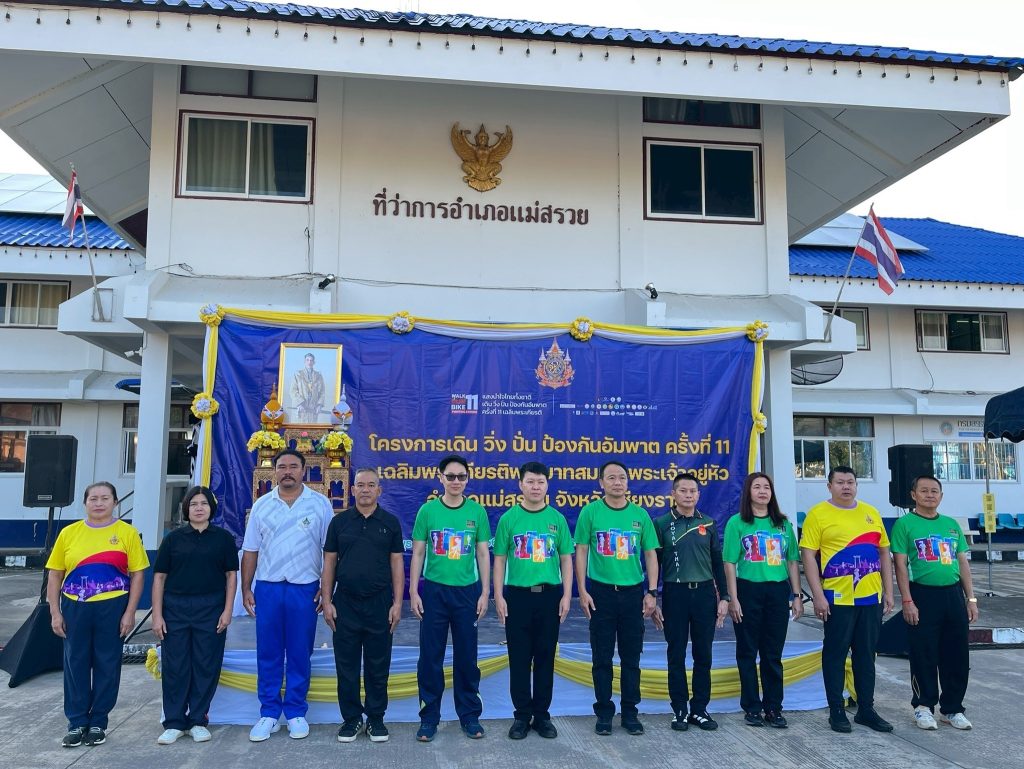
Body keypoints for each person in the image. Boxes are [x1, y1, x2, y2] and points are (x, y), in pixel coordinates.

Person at [45, 481, 149, 748]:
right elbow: (55, 575)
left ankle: (98, 722)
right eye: (93, 498)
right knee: (75, 662)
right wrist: (55, 611)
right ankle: (77, 722)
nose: (99, 503)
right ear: (85, 503)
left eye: (105, 498)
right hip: (75, 606)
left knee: (107, 663)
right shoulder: (69, 533)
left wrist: (130, 612)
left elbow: (138, 575)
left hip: (112, 607)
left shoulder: (127, 533)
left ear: (115, 502)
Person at [241, 449, 333, 742]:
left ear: (304, 471)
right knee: (268, 651)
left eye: (294, 466)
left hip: (304, 588)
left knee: (299, 651)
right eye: (282, 467)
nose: (288, 471)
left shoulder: (319, 504)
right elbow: (251, 550)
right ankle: (269, 713)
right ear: (275, 471)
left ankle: (295, 712)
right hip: (268, 587)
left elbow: (330, 552)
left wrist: (326, 590)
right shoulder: (262, 505)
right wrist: (246, 588)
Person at [800, 465, 894, 734]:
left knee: (866, 655)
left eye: (850, 482)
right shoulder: (818, 514)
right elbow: (808, 556)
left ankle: (866, 709)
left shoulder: (870, 513)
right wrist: (818, 596)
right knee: (835, 655)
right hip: (837, 600)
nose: (846, 487)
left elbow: (884, 553)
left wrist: (889, 592)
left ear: (856, 486)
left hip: (870, 599)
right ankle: (836, 710)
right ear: (829, 486)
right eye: (840, 482)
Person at [409, 454, 491, 741]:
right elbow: (418, 552)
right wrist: (413, 591)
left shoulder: (477, 512)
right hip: (434, 591)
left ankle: (469, 716)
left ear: (467, 479)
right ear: (440, 478)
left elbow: (483, 553)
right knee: (430, 656)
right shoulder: (427, 511)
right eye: (451, 476)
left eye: (461, 476)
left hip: (467, 592)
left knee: (467, 656)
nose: (456, 481)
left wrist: (485, 592)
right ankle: (429, 717)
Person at [574, 460, 659, 736]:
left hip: (633, 594)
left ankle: (630, 713)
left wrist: (652, 592)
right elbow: (581, 552)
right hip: (601, 593)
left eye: (622, 477)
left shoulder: (640, 515)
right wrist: (582, 590)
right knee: (602, 657)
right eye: (611, 478)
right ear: (601, 483)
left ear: (628, 482)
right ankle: (604, 713)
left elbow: (650, 555)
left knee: (631, 658)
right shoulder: (591, 512)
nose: (617, 482)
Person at [322, 468, 404, 743]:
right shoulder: (340, 523)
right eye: (360, 485)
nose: (365, 489)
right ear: (352, 489)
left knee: (378, 664)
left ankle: (376, 719)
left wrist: (397, 603)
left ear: (379, 490)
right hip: (345, 603)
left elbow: (396, 563)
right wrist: (327, 601)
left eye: (371, 485)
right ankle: (352, 719)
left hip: (380, 603)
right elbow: (329, 562)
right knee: (346, 665)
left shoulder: (390, 522)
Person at [151, 486, 239, 745]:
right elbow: (159, 578)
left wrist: (227, 611)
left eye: (204, 503)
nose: (199, 508)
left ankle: (198, 720)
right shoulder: (173, 539)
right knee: (175, 665)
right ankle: (174, 722)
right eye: (193, 504)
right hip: (175, 609)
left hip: (211, 608)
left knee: (206, 664)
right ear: (186, 509)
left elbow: (231, 576)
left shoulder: (223, 539)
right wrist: (157, 615)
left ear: (212, 508)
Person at [492, 461, 573, 740]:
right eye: (530, 482)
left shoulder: (557, 519)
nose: (535, 487)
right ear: (520, 485)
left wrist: (567, 595)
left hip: (550, 596)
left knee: (545, 657)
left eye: (540, 482)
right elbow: (499, 560)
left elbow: (566, 559)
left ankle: (542, 716)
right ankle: (521, 716)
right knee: (519, 657)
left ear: (547, 485)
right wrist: (498, 595)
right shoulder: (509, 519)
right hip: (517, 596)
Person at [890, 475, 978, 731]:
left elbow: (962, 563)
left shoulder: (951, 525)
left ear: (941, 495)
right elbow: (900, 566)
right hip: (922, 595)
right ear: (913, 495)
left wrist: (971, 599)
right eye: (924, 491)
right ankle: (923, 706)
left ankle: (952, 709)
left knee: (957, 655)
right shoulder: (904, 525)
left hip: (953, 595)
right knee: (923, 653)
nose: (930, 495)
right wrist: (907, 600)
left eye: (934, 491)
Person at [722, 472, 803, 729]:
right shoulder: (737, 523)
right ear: (748, 492)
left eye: (766, 487)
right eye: (756, 487)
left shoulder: (783, 524)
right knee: (747, 652)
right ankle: (752, 708)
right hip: (748, 590)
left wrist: (797, 596)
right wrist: (733, 598)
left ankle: (773, 708)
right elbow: (729, 563)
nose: (762, 491)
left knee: (772, 653)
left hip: (777, 592)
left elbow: (792, 561)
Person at [652, 472, 730, 732]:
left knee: (703, 654)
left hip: (705, 594)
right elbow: (654, 563)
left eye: (692, 491)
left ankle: (699, 709)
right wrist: (653, 596)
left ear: (698, 494)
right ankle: (680, 710)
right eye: (683, 491)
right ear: (673, 494)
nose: (688, 495)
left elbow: (717, 562)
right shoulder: (661, 523)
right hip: (675, 594)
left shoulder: (708, 523)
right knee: (676, 653)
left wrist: (725, 597)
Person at [290, 352, 326, 423]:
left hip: (313, 411)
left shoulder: (318, 376)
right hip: (301, 409)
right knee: (300, 428)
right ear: (304, 361)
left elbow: (322, 392)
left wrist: (319, 405)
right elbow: (293, 391)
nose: (309, 362)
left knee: (312, 428)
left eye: (311, 360)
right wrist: (299, 404)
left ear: (314, 362)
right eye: (307, 360)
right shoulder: (298, 374)